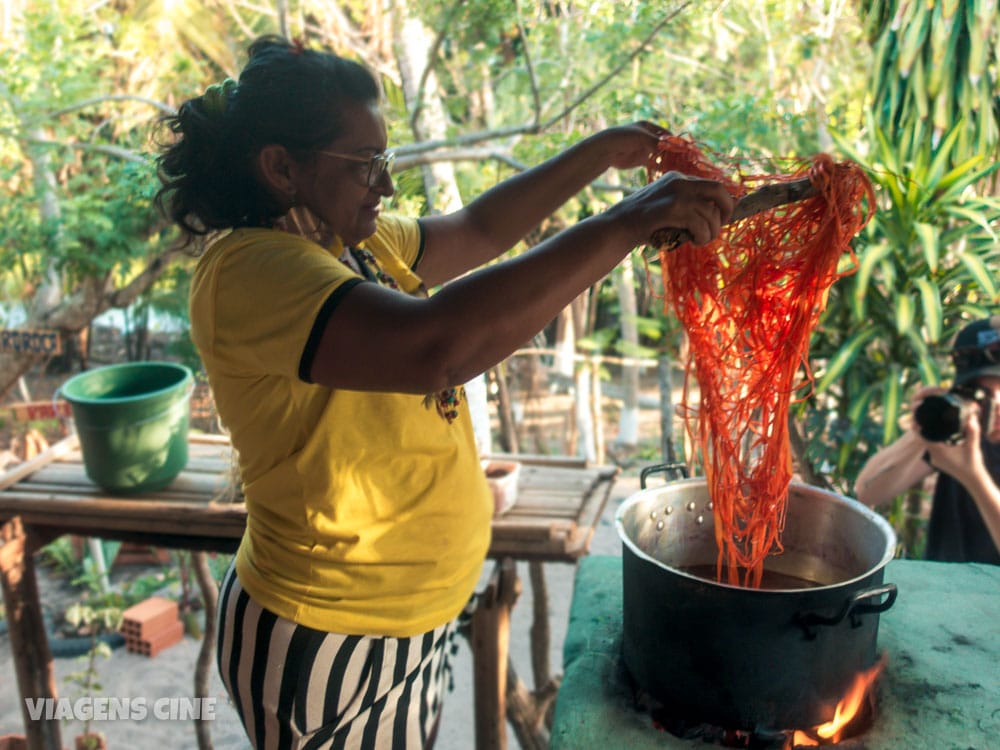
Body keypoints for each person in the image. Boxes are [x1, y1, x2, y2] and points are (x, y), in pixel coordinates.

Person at [154, 35, 732, 750]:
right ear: (282, 167)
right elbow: (437, 346)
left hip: (405, 625)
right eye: (365, 165)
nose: (386, 185)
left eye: (384, 162)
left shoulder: (352, 244)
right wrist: (629, 220)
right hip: (330, 635)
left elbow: (479, 229)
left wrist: (600, 153)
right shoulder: (249, 270)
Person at [855, 316, 1000, 565]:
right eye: (982, 394)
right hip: (945, 593)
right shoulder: (960, 437)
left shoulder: (968, 456)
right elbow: (868, 491)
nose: (995, 405)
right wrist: (924, 431)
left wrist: (974, 478)